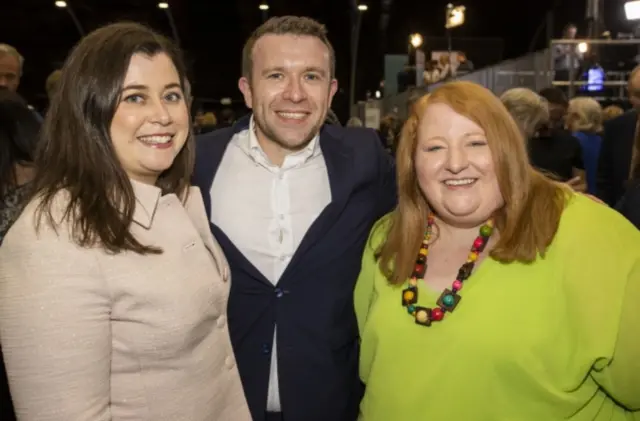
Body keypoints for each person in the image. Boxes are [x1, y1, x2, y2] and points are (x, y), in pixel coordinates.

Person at [0, 22, 251, 421]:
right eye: (135, 97)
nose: (163, 115)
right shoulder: (50, 239)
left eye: (171, 95)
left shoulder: (178, 198)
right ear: (88, 109)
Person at [355, 81, 640, 420]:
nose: (455, 163)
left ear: (508, 148)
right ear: (411, 161)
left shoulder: (590, 235)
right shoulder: (389, 237)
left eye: (477, 143)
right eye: (434, 148)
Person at [192, 15, 396, 421]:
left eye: (312, 77)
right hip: (219, 405)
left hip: (331, 403)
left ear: (332, 90)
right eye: (275, 76)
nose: (295, 94)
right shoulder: (196, 162)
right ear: (247, 90)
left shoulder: (365, 159)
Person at [597, 64, 640, 206]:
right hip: (619, 216)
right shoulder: (616, 127)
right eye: (638, 94)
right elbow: (604, 179)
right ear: (629, 95)